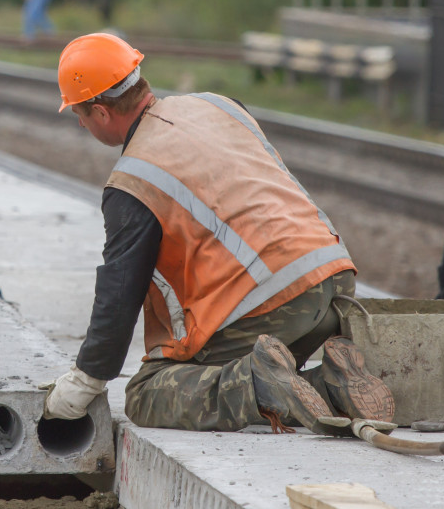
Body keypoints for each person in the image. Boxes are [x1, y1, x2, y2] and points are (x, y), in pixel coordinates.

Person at [41, 33, 395, 434]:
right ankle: (331, 387)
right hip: (335, 282)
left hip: (273, 300)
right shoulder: (220, 106)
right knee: (277, 365)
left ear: (101, 113)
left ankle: (259, 385)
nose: (83, 124)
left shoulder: (133, 181)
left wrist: (87, 380)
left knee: (147, 392)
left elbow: (119, 295)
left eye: (80, 115)